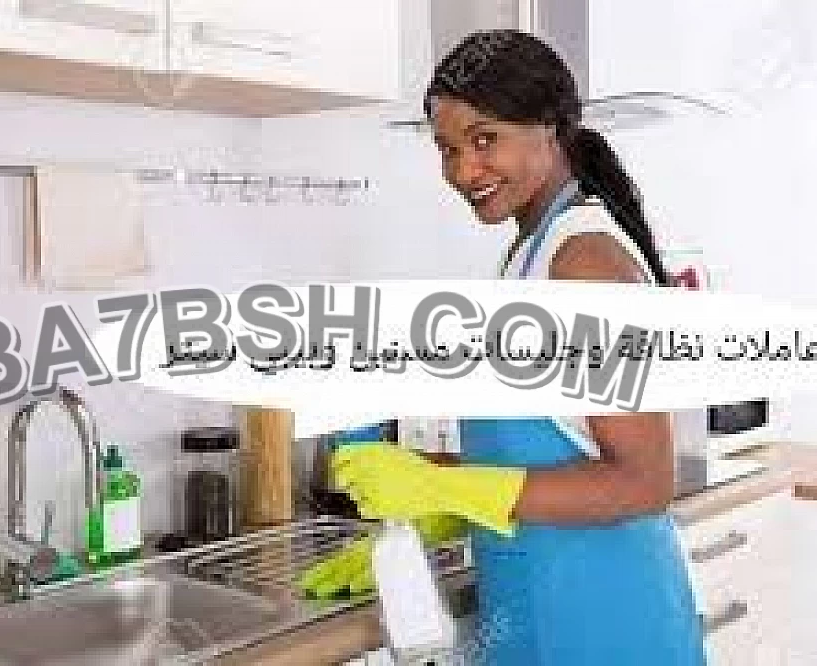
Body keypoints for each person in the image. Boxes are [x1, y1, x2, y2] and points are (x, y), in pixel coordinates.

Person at [297, 30, 708, 666]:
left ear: (551, 128)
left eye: (485, 139)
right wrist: (434, 503)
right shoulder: (530, 254)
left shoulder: (585, 264)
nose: (463, 171)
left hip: (605, 626)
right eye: (447, 148)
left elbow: (643, 481)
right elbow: (546, 451)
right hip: (536, 615)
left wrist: (445, 488)